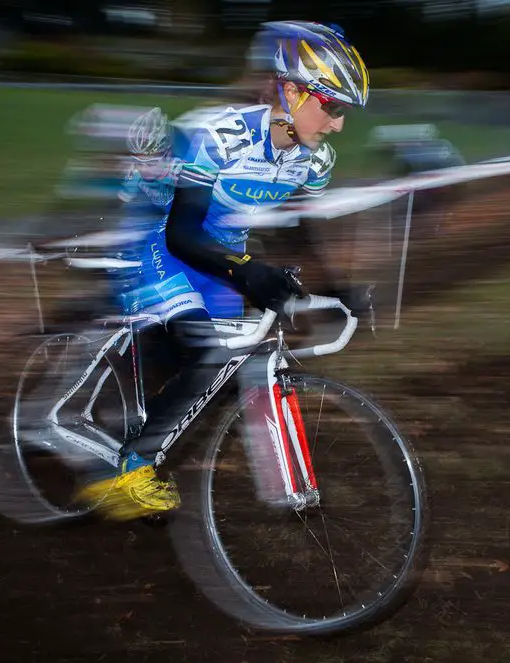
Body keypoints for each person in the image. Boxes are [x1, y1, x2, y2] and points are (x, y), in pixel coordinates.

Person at [75, 20, 373, 521]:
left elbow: (300, 229)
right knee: (209, 352)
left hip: (216, 251)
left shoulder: (314, 161)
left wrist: (335, 286)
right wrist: (248, 270)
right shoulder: (216, 136)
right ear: (293, 91)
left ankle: (142, 412)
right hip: (159, 236)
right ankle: (123, 471)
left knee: (224, 359)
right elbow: (181, 235)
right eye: (331, 107)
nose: (337, 124)